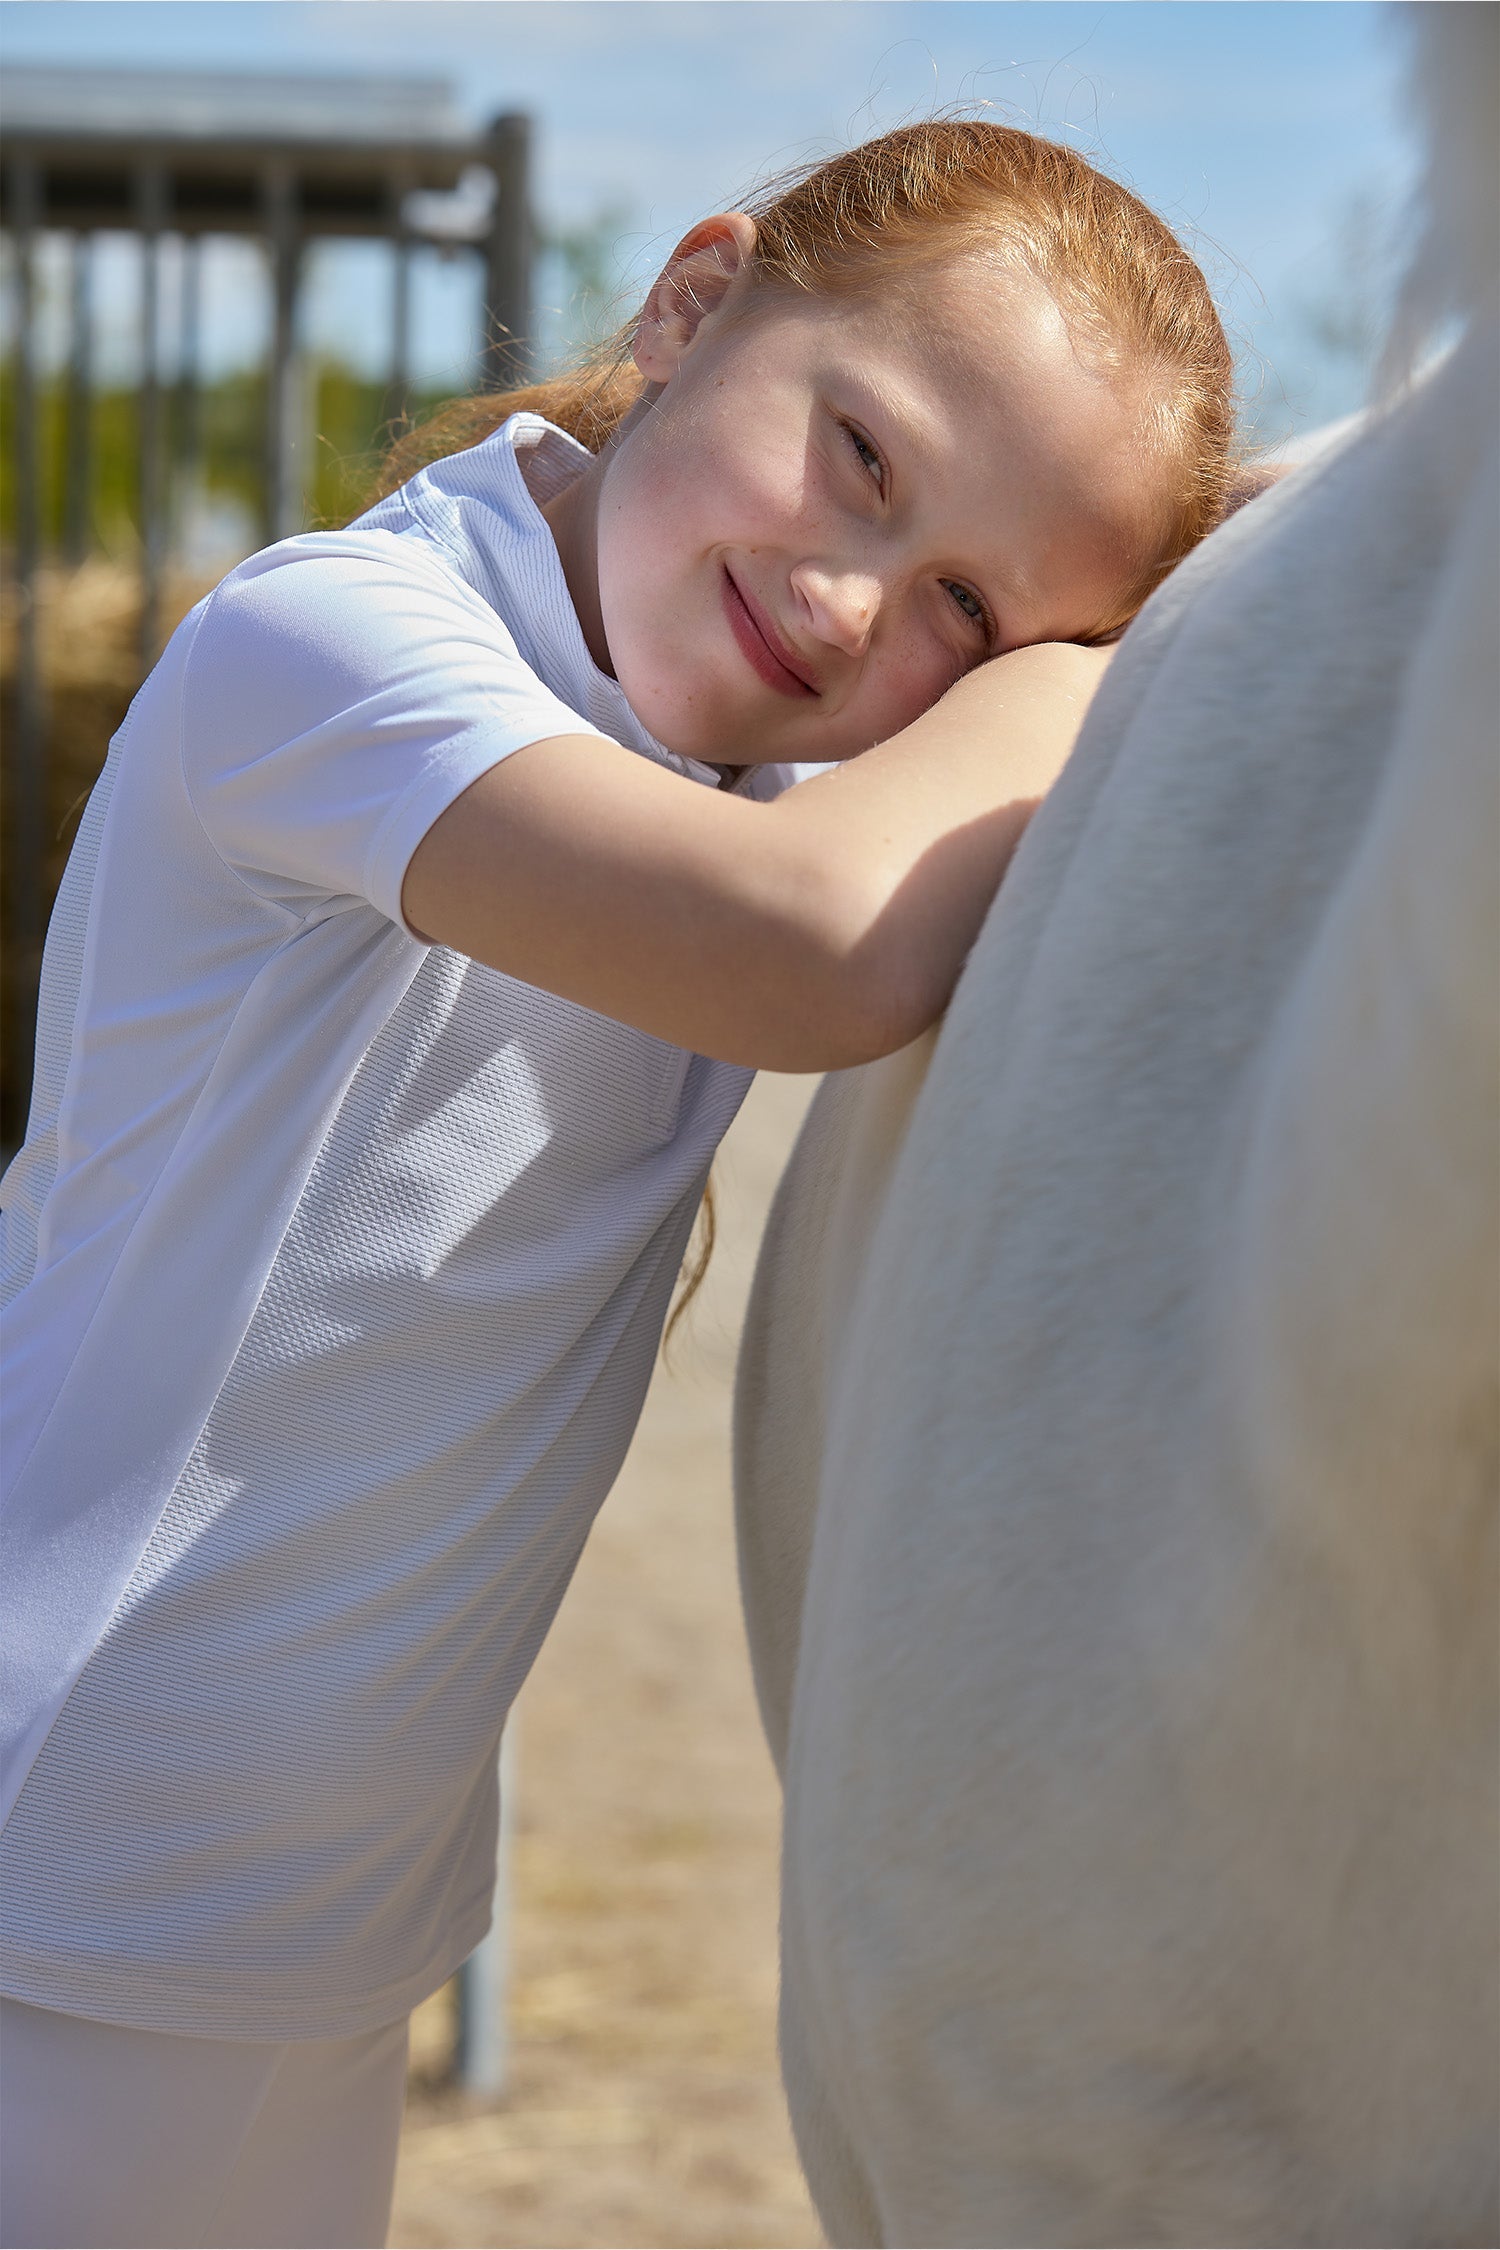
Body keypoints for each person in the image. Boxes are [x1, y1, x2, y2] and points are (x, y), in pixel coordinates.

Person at [0, 122, 1235, 2248]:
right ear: (691, 305)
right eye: (862, 453)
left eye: (968, 605)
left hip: (306, 1938)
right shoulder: (331, 645)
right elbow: (810, 947)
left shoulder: (730, 756)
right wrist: (1091, 671)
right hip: (57, 1870)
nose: (850, 602)